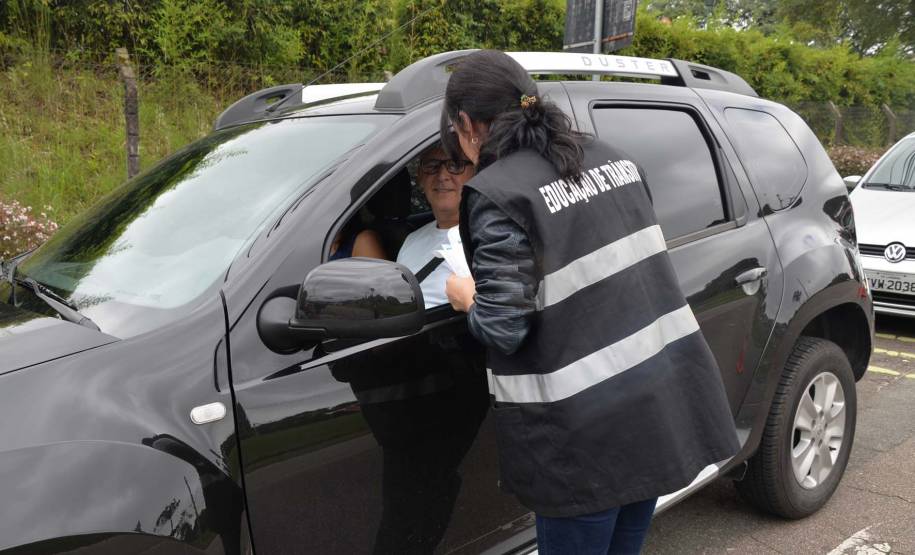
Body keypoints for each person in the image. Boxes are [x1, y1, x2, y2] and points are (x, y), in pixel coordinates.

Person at [442, 50, 740, 554]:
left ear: (468, 125)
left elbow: (504, 327)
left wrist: (467, 297)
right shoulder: (610, 157)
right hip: (655, 408)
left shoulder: (498, 193)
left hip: (582, 438)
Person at [396, 145, 474, 307]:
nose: (442, 175)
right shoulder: (412, 240)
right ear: (420, 177)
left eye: (455, 165)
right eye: (432, 165)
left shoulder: (492, 237)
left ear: (475, 173)